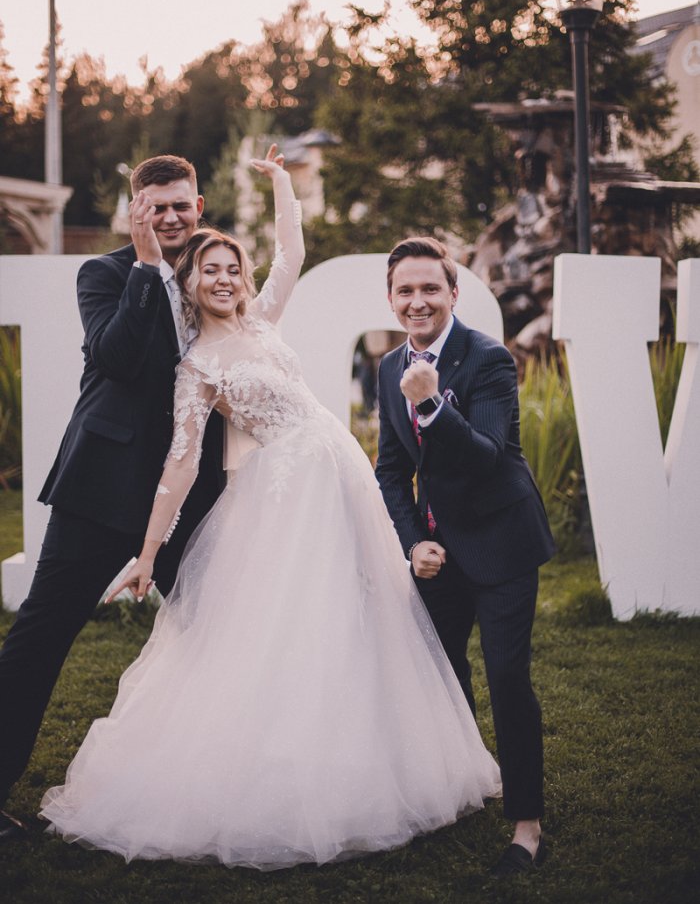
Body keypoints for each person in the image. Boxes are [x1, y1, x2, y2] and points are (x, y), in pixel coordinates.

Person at [39, 149, 501, 869]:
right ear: (189, 283)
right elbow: (180, 463)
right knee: (292, 626)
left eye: (232, 268)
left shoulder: (263, 321)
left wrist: (283, 183)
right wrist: (149, 554)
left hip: (340, 480)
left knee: (364, 617)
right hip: (286, 494)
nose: (224, 279)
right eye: (209, 271)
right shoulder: (196, 364)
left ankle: (365, 758)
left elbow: (293, 252)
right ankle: (280, 776)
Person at [0, 156, 224, 843]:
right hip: (102, 487)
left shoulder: (218, 272)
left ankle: (225, 787)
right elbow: (117, 356)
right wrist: (147, 267)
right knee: (42, 635)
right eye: (156, 206)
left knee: (223, 629)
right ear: (136, 210)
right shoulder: (103, 274)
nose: (170, 217)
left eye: (180, 205)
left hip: (192, 497)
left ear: (199, 205)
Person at [375, 237, 555, 878]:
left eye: (430, 288)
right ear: (391, 299)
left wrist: (429, 402)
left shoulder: (489, 357)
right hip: (438, 551)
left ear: (453, 293)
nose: (418, 301)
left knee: (507, 677)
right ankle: (464, 782)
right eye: (405, 290)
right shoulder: (388, 366)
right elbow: (390, 469)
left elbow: (487, 455)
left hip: (503, 541)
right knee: (441, 673)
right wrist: (413, 543)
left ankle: (527, 826)